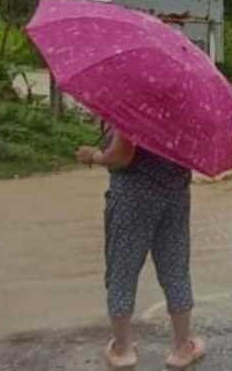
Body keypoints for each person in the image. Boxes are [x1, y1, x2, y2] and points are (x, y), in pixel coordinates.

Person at [76, 128, 205, 370]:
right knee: (175, 270)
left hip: (131, 201)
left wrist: (93, 156)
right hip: (174, 197)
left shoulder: (134, 105)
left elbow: (122, 156)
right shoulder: (181, 110)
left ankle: (123, 350)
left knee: (122, 272)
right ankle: (181, 349)